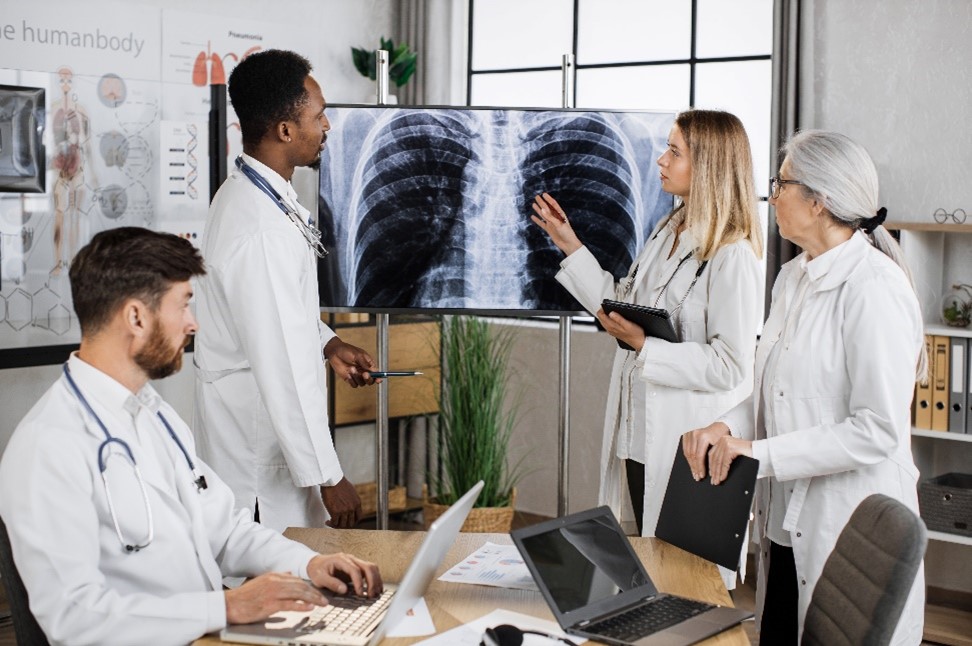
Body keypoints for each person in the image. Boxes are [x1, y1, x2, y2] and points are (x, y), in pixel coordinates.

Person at [0, 228, 382, 646]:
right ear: (136, 317)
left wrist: (309, 564)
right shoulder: (47, 446)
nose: (193, 324)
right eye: (182, 305)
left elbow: (225, 529)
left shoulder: (155, 415)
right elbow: (73, 618)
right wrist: (226, 607)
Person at [682, 130, 926, 644]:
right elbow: (778, 391)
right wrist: (727, 424)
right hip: (786, 522)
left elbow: (877, 430)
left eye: (782, 183)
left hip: (844, 522)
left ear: (818, 202)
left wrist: (758, 453)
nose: (772, 194)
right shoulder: (791, 277)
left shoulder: (873, 289)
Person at [531, 110, 764, 577]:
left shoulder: (733, 254)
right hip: (637, 438)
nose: (661, 160)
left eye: (674, 151)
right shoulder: (666, 232)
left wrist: (644, 346)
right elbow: (624, 304)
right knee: (643, 569)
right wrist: (570, 244)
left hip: (685, 444)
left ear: (709, 166)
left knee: (684, 579)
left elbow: (732, 365)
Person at [193, 49, 377, 532]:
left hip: (262, 436)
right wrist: (329, 475)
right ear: (285, 130)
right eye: (318, 116)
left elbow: (276, 312)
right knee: (270, 586)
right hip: (257, 457)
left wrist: (329, 343)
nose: (327, 127)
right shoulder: (260, 228)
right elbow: (281, 358)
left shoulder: (255, 197)